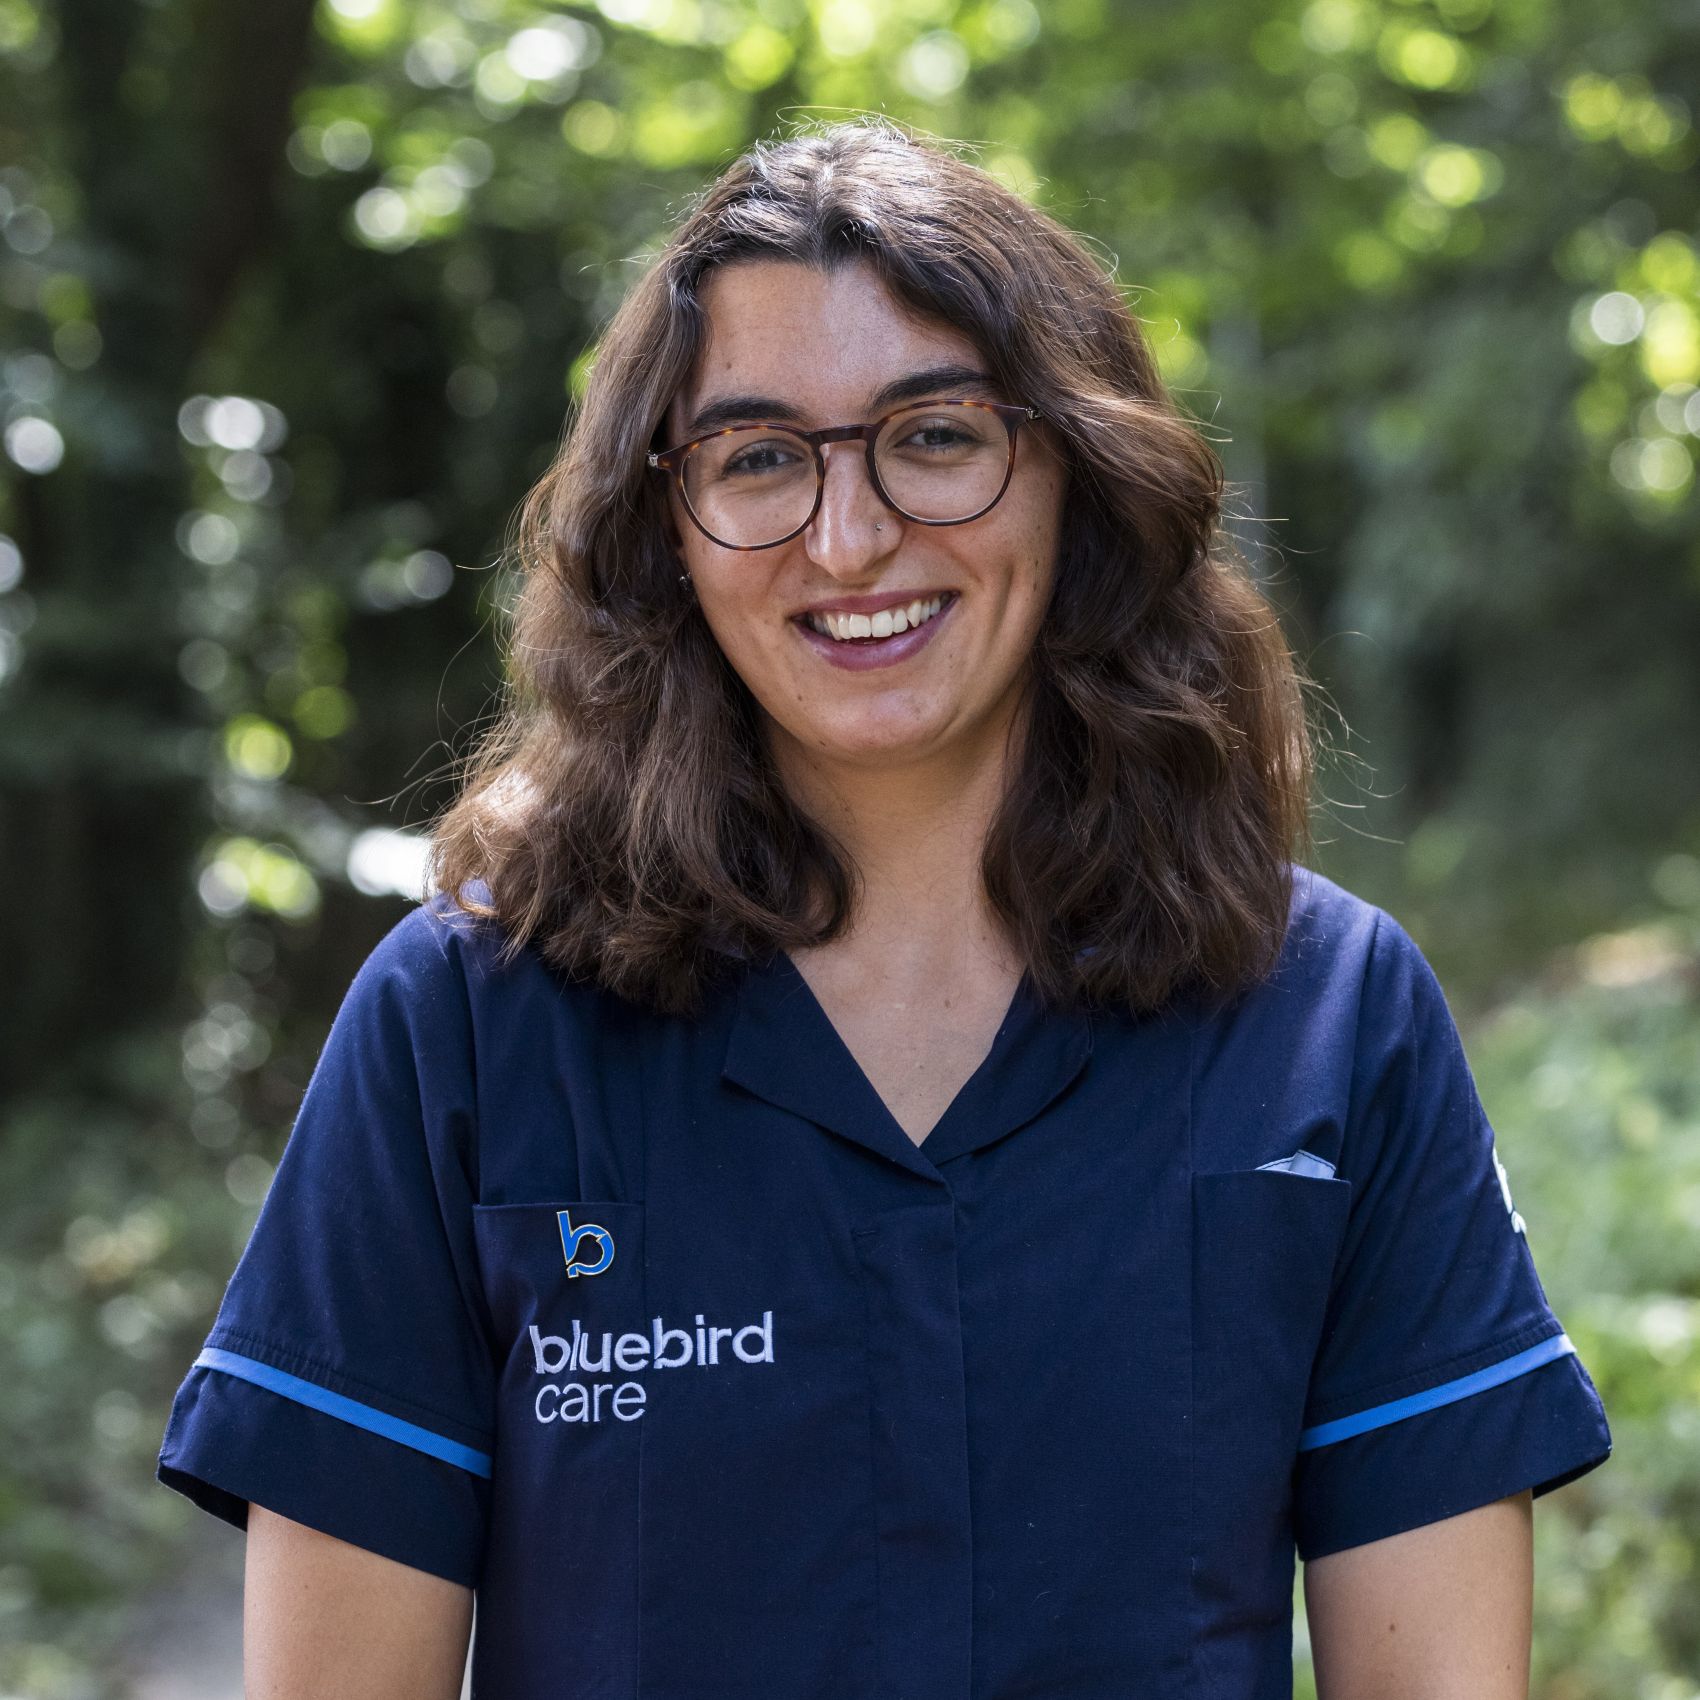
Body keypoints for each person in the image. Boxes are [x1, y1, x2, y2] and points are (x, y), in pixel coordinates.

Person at [156, 118, 1611, 1699]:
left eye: (934, 435)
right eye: (759, 458)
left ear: (1077, 473)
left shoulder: (1328, 1017)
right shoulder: (465, 1025)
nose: (848, 542)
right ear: (666, 529)